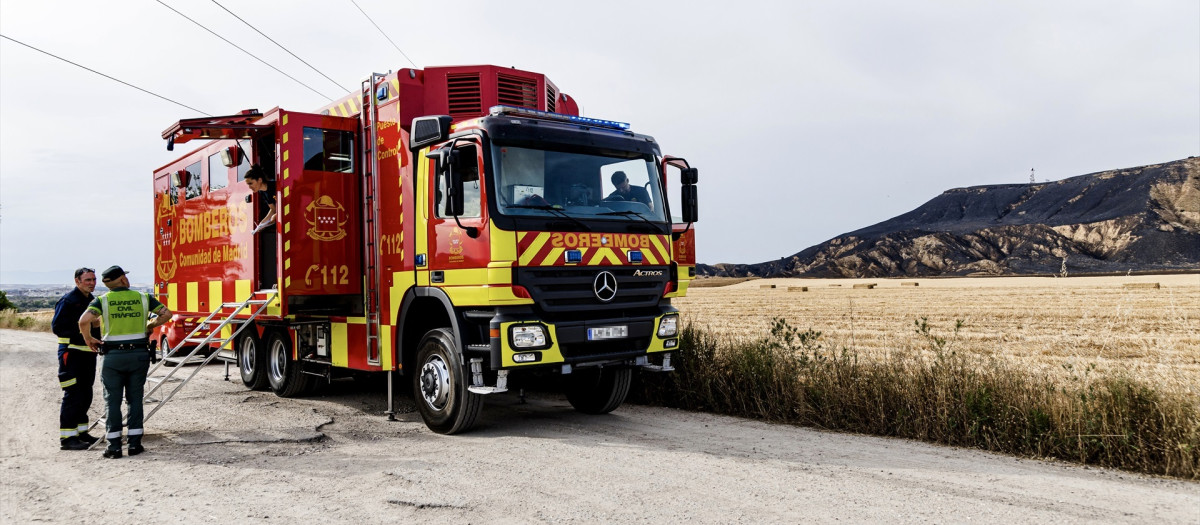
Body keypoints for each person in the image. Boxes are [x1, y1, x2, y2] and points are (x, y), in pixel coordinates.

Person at [79, 266, 171, 459]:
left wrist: (89, 339)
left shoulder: (102, 301)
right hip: (138, 355)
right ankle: (135, 444)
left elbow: (83, 320)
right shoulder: (143, 297)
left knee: (112, 400)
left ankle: (113, 447)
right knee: (135, 398)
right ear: (122, 280)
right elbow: (166, 314)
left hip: (113, 356)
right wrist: (150, 325)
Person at [52, 268, 102, 450]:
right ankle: (67, 438)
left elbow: (94, 329)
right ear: (77, 281)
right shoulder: (68, 301)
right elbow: (58, 328)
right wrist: (84, 331)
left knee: (85, 394)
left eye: (94, 279)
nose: (92, 283)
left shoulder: (91, 301)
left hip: (87, 354)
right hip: (71, 354)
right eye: (88, 279)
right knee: (73, 394)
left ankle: (82, 433)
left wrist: (96, 330)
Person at [243, 165, 276, 233]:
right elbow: (273, 209)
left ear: (260, 180)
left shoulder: (274, 186)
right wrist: (261, 224)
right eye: (248, 185)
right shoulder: (262, 192)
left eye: (251, 183)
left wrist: (277, 215)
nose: (249, 187)